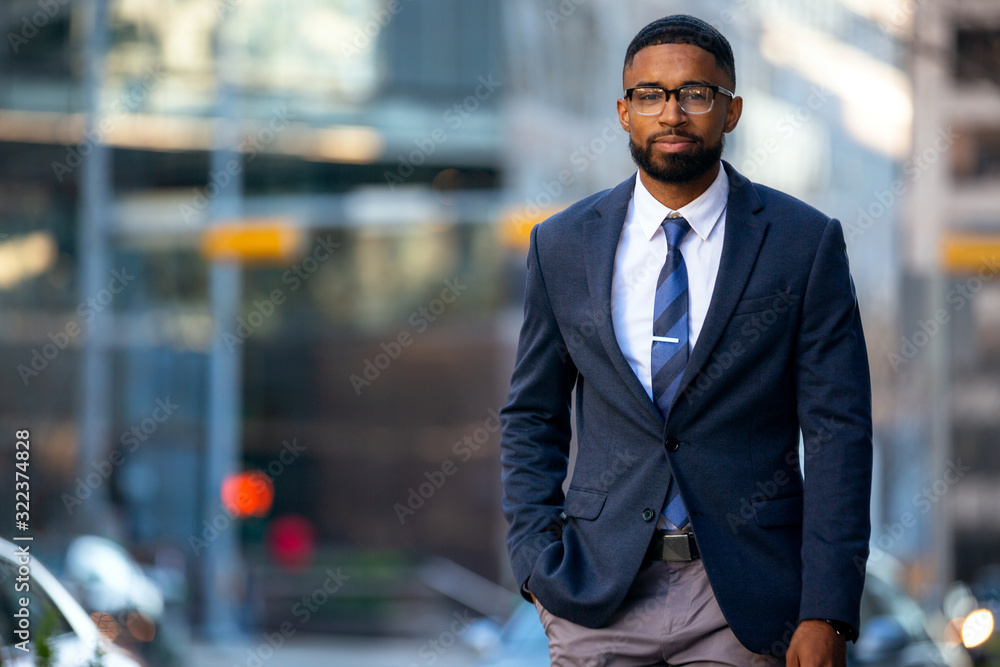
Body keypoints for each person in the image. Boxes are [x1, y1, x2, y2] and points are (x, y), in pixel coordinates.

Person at [499, 14, 872, 667]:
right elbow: (532, 415)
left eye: (696, 94)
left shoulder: (801, 243)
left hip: (745, 602)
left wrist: (827, 608)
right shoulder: (560, 244)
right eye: (651, 94)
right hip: (596, 594)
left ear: (731, 111)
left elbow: (840, 432)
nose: (671, 112)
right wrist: (536, 562)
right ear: (624, 110)